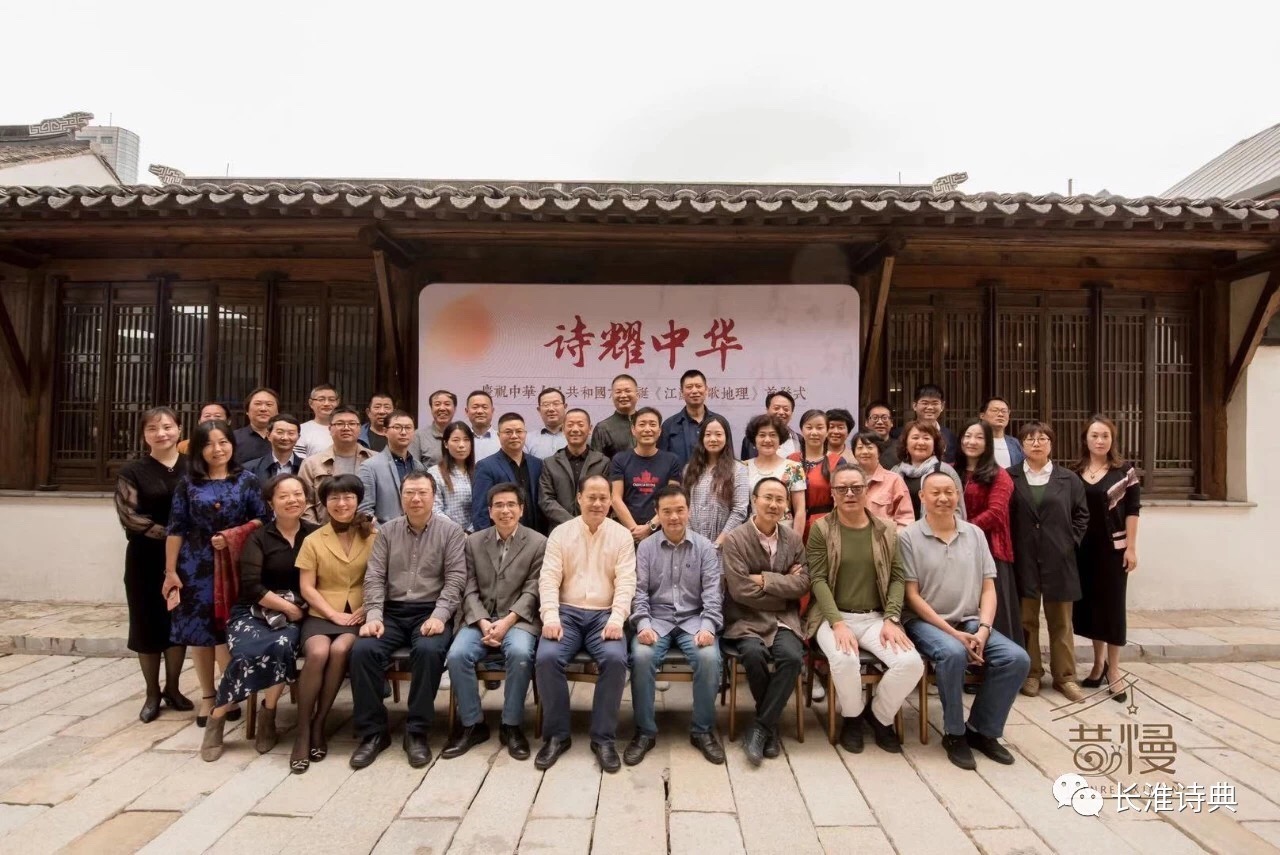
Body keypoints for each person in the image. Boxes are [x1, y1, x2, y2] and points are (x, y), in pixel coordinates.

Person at [901, 471, 1031, 771]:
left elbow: (988, 589)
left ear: (958, 495)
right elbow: (912, 596)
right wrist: (952, 633)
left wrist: (984, 629)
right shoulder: (908, 537)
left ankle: (982, 729)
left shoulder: (974, 534)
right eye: (935, 493)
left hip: (970, 621)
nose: (943, 498)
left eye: (949, 492)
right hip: (925, 623)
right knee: (952, 652)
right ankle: (954, 733)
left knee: (1016, 659)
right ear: (922, 497)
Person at [350, 471, 467, 770]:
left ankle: (416, 732)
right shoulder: (387, 531)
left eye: (422, 493)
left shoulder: (451, 532)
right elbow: (374, 576)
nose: (415, 499)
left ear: (433, 496)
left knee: (429, 651)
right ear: (401, 497)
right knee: (363, 650)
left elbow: (455, 580)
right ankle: (373, 733)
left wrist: (440, 616)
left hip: (430, 610)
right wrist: (373, 615)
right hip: (391, 611)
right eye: (409, 493)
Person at [805, 465, 923, 754]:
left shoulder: (886, 529)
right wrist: (837, 623)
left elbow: (897, 577)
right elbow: (817, 580)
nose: (850, 493)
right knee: (844, 660)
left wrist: (892, 618)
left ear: (866, 490)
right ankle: (853, 718)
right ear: (833, 494)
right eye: (842, 488)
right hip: (833, 616)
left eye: (856, 487)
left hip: (875, 617)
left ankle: (879, 716)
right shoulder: (822, 529)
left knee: (911, 664)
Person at [201, 475, 318, 761]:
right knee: (245, 654)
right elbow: (252, 586)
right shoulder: (259, 537)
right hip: (255, 609)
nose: (292, 500)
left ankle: (269, 713)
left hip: (296, 612)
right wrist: (287, 608)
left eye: (298, 494)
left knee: (281, 646)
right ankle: (217, 716)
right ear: (270, 502)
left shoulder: (315, 534)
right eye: (283, 496)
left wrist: (295, 610)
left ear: (306, 499)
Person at [164, 420, 267, 728]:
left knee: (227, 629)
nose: (217, 449)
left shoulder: (247, 480)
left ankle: (229, 692)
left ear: (232, 444)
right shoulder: (188, 483)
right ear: (199, 449)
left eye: (223, 442)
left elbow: (262, 519)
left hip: (234, 564)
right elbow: (176, 528)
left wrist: (233, 534)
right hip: (195, 566)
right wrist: (170, 571)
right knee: (199, 633)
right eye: (209, 444)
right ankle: (208, 696)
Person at [534, 475, 636, 773]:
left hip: (604, 615)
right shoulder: (561, 534)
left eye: (604, 498)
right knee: (547, 657)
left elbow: (626, 582)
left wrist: (617, 618)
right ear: (578, 498)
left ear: (611, 502)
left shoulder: (621, 536)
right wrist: (550, 616)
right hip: (566, 613)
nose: (597, 503)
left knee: (615, 659)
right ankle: (557, 735)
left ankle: (603, 738)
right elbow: (549, 578)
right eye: (591, 497)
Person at [444, 482, 546, 761]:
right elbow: (468, 588)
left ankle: (511, 725)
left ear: (522, 509)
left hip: (518, 619)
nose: (505, 510)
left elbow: (533, 589)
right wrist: (482, 622)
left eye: (511, 504)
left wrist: (507, 621)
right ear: (489, 511)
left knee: (521, 653)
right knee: (457, 655)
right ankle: (472, 724)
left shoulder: (538, 542)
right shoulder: (473, 542)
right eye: (498, 505)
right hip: (480, 618)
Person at [626, 485, 725, 766]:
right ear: (657, 514)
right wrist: (643, 624)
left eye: (680, 510)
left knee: (709, 658)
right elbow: (639, 593)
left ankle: (702, 730)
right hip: (656, 620)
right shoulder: (646, 548)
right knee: (641, 657)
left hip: (694, 620)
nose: (674, 517)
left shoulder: (705, 548)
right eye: (667, 511)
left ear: (688, 511)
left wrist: (708, 626)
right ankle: (645, 731)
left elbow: (713, 594)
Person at [720, 477, 810, 765]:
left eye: (780, 499)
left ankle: (761, 726)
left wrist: (765, 580)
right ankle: (769, 726)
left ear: (786, 506)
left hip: (783, 619)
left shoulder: (793, 539)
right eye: (768, 498)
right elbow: (739, 590)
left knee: (792, 657)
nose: (773, 504)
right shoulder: (736, 539)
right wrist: (783, 587)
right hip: (745, 619)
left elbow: (803, 583)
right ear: (754, 500)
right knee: (753, 654)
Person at [292, 473, 377, 773]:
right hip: (321, 614)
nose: (342, 503)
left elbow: (383, 579)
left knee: (340, 649)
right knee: (317, 652)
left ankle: (320, 723)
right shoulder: (313, 540)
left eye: (348, 497)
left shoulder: (373, 536)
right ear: (324, 503)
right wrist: (331, 614)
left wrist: (367, 608)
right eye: (335, 498)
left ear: (358, 500)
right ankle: (303, 731)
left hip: (358, 615)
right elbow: (307, 587)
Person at [115, 407, 193, 723]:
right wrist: (173, 535)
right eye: (152, 429)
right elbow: (129, 516)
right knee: (147, 623)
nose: (161, 433)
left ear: (179, 429)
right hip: (145, 558)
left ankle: (174, 688)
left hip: (187, 558)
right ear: (144, 434)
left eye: (167, 427)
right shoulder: (133, 471)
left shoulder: (193, 466)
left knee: (177, 623)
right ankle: (152, 692)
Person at [1008, 421, 1089, 702]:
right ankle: (1031, 673)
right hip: (1024, 559)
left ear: (1051, 444)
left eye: (1042, 438)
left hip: (1060, 559)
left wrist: (1070, 542)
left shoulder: (1069, 479)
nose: (1036, 443)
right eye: (1030, 439)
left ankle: (1065, 676)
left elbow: (1082, 515)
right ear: (1021, 445)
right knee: (1026, 620)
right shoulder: (1010, 477)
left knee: (1061, 622)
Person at [1071, 415, 1141, 703]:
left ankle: (1114, 670)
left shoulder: (1124, 471)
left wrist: (1131, 548)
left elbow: (1133, 510)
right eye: (1094, 436)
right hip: (1082, 550)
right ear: (1085, 439)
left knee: (1112, 609)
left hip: (1113, 550)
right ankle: (1097, 664)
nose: (1099, 441)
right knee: (1090, 609)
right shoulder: (1075, 472)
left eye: (1105, 436)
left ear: (1112, 440)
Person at [957, 419, 1021, 646]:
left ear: (988, 443)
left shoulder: (999, 475)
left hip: (991, 550)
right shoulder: (953, 471)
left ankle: (1001, 659)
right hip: (956, 551)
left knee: (994, 610)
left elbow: (995, 513)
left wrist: (963, 530)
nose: (971, 441)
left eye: (979, 437)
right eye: (967, 436)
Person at [609, 407, 683, 545]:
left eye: (652, 424)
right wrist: (635, 530)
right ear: (633, 430)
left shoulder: (672, 460)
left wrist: (649, 528)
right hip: (626, 534)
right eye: (642, 424)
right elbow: (615, 498)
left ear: (659, 431)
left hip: (661, 533)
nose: (647, 429)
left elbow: (672, 500)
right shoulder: (620, 459)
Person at [299, 407, 376, 523]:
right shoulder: (311, 464)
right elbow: (305, 503)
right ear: (330, 429)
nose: (346, 428)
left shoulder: (375, 460)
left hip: (367, 530)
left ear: (359, 428)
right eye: (340, 424)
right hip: (324, 530)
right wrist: (317, 530)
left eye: (352, 424)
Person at [471, 413, 544, 534]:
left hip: (535, 535)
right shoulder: (485, 466)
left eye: (519, 431)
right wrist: (487, 540)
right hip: (502, 536)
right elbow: (480, 511)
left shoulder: (537, 464)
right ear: (499, 435)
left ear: (525, 434)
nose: (514, 436)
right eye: (508, 432)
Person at [683, 414, 749, 546]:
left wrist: (718, 543)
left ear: (726, 438)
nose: (713, 439)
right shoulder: (689, 469)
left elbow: (739, 511)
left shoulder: (738, 469)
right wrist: (693, 541)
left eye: (718, 434)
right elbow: (684, 506)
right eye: (708, 435)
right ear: (702, 438)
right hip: (693, 543)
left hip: (724, 545)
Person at [538, 408, 610, 528]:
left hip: (595, 528)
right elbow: (546, 500)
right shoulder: (550, 463)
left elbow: (607, 498)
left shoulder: (603, 462)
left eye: (580, 425)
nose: (575, 429)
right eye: (570, 425)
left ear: (590, 429)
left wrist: (587, 523)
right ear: (563, 429)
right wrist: (573, 524)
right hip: (560, 529)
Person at [358, 410, 425, 524]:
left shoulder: (419, 467)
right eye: (397, 427)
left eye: (408, 428)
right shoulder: (369, 467)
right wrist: (383, 532)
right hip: (383, 532)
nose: (403, 432)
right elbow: (365, 511)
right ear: (385, 431)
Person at [743, 414, 807, 534]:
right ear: (754, 439)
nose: (767, 440)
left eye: (773, 435)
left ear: (780, 439)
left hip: (785, 532)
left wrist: (796, 540)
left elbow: (800, 510)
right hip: (751, 532)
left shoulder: (794, 467)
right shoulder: (743, 467)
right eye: (762, 435)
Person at [892, 421, 967, 521]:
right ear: (906, 444)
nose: (921, 442)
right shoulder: (895, 472)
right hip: (901, 529)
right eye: (915, 438)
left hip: (937, 529)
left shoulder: (945, 471)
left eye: (926, 438)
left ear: (934, 444)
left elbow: (958, 510)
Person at [659, 369, 733, 469]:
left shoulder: (720, 423)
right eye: (689, 387)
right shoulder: (669, 425)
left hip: (716, 478)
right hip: (680, 478)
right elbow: (662, 462)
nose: (694, 391)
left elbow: (729, 456)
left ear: (706, 390)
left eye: (698, 386)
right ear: (682, 392)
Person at [789, 409, 844, 542]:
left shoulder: (837, 461)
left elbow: (841, 500)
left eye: (819, 428)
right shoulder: (791, 460)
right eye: (809, 427)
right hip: (792, 525)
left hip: (825, 526)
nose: (814, 432)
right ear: (802, 430)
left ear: (827, 431)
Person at [851, 431, 913, 530]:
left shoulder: (894, 480)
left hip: (884, 538)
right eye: (860, 447)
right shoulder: (846, 480)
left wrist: (893, 537)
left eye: (870, 447)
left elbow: (905, 519)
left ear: (879, 451)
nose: (864, 451)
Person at [428, 421, 476, 532]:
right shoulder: (435, 473)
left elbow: (482, 508)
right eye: (456, 440)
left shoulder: (478, 471)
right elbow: (435, 509)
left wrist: (470, 532)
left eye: (466, 440)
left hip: (474, 534)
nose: (461, 445)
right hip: (445, 533)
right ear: (445, 444)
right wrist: (457, 532)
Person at [899, 384, 957, 465]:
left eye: (935, 403)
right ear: (914, 406)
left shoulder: (950, 436)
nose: (930, 407)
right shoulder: (900, 433)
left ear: (942, 406)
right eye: (925, 403)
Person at [740, 391, 802, 460]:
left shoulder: (800, 440)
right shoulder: (750, 440)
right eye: (776, 408)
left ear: (792, 413)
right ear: (767, 410)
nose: (781, 412)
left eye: (786, 409)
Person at [590, 374, 639, 460]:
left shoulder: (648, 424)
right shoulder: (603, 428)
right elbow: (596, 462)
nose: (623, 395)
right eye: (618, 392)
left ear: (637, 395)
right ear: (612, 396)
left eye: (627, 391)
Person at [243, 413, 304, 483]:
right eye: (280, 432)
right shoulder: (250, 468)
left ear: (298, 437)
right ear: (268, 435)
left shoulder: (305, 467)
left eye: (291, 433)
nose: (285, 438)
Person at [409, 389, 457, 469]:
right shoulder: (418, 435)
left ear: (454, 408)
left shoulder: (462, 434)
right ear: (431, 409)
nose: (442, 408)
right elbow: (412, 467)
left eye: (447, 404)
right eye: (437, 404)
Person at [232, 387, 279, 464]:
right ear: (247, 410)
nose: (263, 409)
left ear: (277, 411)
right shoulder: (233, 438)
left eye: (269, 404)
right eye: (258, 404)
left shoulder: (286, 438)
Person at [296, 384, 340, 458]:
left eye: (331, 400)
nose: (326, 404)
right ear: (311, 403)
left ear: (337, 402)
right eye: (321, 399)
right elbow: (299, 461)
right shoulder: (301, 430)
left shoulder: (346, 429)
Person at [980, 397, 1024, 468]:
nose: (1000, 414)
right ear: (982, 415)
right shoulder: (975, 442)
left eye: (1004, 411)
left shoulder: (1016, 444)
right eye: (995, 410)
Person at [525, 387, 568, 459]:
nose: (551, 409)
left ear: (565, 407)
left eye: (556, 404)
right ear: (539, 410)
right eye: (546, 405)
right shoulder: (527, 439)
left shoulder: (577, 437)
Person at [464, 391, 500, 462]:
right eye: (475, 407)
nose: (480, 411)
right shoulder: (460, 441)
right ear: (467, 411)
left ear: (492, 411)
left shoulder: (502, 439)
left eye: (484, 407)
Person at [863, 401, 898, 469]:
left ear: (891, 423)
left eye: (884, 418)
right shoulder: (860, 447)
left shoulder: (900, 447)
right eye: (875, 418)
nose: (880, 422)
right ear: (866, 422)